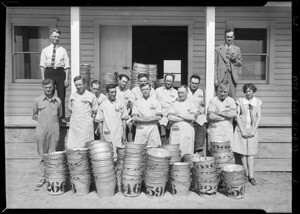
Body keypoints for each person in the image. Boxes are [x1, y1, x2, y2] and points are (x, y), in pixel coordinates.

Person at [32, 79, 62, 189]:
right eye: (46, 87)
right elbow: (34, 115)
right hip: (41, 130)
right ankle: (42, 177)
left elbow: (59, 114)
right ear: (42, 88)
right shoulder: (37, 100)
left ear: (53, 87)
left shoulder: (58, 101)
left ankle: (51, 176)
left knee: (52, 154)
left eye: (50, 87)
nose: (48, 89)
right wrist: (43, 123)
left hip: (54, 130)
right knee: (42, 155)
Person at [232, 83, 262, 185]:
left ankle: (251, 176)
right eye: (246, 91)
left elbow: (258, 117)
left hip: (252, 128)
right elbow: (237, 115)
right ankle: (245, 173)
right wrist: (242, 130)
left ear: (253, 91)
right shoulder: (240, 101)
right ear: (244, 92)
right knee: (243, 152)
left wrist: (253, 130)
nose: (248, 93)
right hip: (242, 128)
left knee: (251, 153)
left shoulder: (257, 102)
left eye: (250, 91)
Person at [40, 28, 70, 122]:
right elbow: (42, 65)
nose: (57, 38)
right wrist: (43, 79)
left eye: (58, 37)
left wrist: (67, 79)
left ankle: (61, 117)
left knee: (61, 95)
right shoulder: (45, 50)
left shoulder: (63, 50)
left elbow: (67, 66)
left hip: (60, 72)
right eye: (55, 36)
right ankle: (50, 116)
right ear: (50, 37)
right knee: (49, 95)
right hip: (49, 72)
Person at [95, 84, 129, 157]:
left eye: (115, 92)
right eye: (112, 92)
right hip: (107, 132)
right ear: (107, 93)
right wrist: (101, 135)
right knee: (108, 154)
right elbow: (100, 121)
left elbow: (124, 119)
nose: (114, 94)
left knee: (120, 153)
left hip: (118, 132)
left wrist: (124, 133)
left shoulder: (120, 104)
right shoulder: (103, 105)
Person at [67, 75, 98, 148]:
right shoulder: (72, 96)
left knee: (86, 146)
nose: (78, 87)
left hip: (86, 126)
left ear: (84, 84)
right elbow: (70, 108)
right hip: (75, 126)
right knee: (73, 146)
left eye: (80, 84)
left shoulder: (91, 96)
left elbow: (95, 110)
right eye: (76, 85)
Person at [168, 85, 197, 156]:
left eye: (182, 93)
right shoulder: (174, 103)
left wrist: (179, 115)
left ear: (187, 92)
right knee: (175, 153)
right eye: (179, 93)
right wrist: (185, 118)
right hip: (176, 131)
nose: (180, 95)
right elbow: (170, 117)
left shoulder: (191, 104)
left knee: (187, 153)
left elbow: (192, 117)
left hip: (187, 131)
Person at [207, 83, 237, 150]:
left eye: (225, 92)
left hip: (227, 129)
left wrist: (220, 112)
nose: (223, 94)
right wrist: (226, 117)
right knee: (215, 150)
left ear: (228, 92)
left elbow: (233, 114)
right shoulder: (213, 101)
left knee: (227, 150)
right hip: (216, 129)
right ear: (218, 91)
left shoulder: (231, 101)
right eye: (221, 91)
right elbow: (211, 116)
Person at [215, 28, 242, 100]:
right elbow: (215, 65)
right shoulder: (218, 49)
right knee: (220, 98)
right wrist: (215, 79)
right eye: (227, 37)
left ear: (233, 38)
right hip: (221, 77)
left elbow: (240, 63)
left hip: (232, 77)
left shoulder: (237, 49)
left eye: (231, 37)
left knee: (232, 98)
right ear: (224, 37)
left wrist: (234, 59)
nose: (229, 39)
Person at [155, 73, 178, 145]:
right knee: (162, 125)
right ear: (164, 81)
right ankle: (163, 146)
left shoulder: (176, 92)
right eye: (167, 81)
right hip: (161, 114)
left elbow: (176, 105)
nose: (168, 83)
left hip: (171, 114)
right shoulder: (158, 90)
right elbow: (155, 103)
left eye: (170, 81)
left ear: (173, 82)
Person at [187, 75, 207, 153]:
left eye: (196, 83)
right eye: (192, 83)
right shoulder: (186, 90)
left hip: (198, 115)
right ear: (189, 82)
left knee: (202, 124)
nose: (194, 85)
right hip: (188, 114)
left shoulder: (201, 92)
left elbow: (202, 107)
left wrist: (197, 113)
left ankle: (199, 148)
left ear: (198, 84)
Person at [116, 74, 135, 142]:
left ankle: (130, 145)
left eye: (126, 82)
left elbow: (132, 105)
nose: (124, 83)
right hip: (115, 115)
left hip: (125, 115)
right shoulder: (114, 91)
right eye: (123, 81)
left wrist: (130, 113)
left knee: (130, 126)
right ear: (119, 80)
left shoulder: (129, 92)